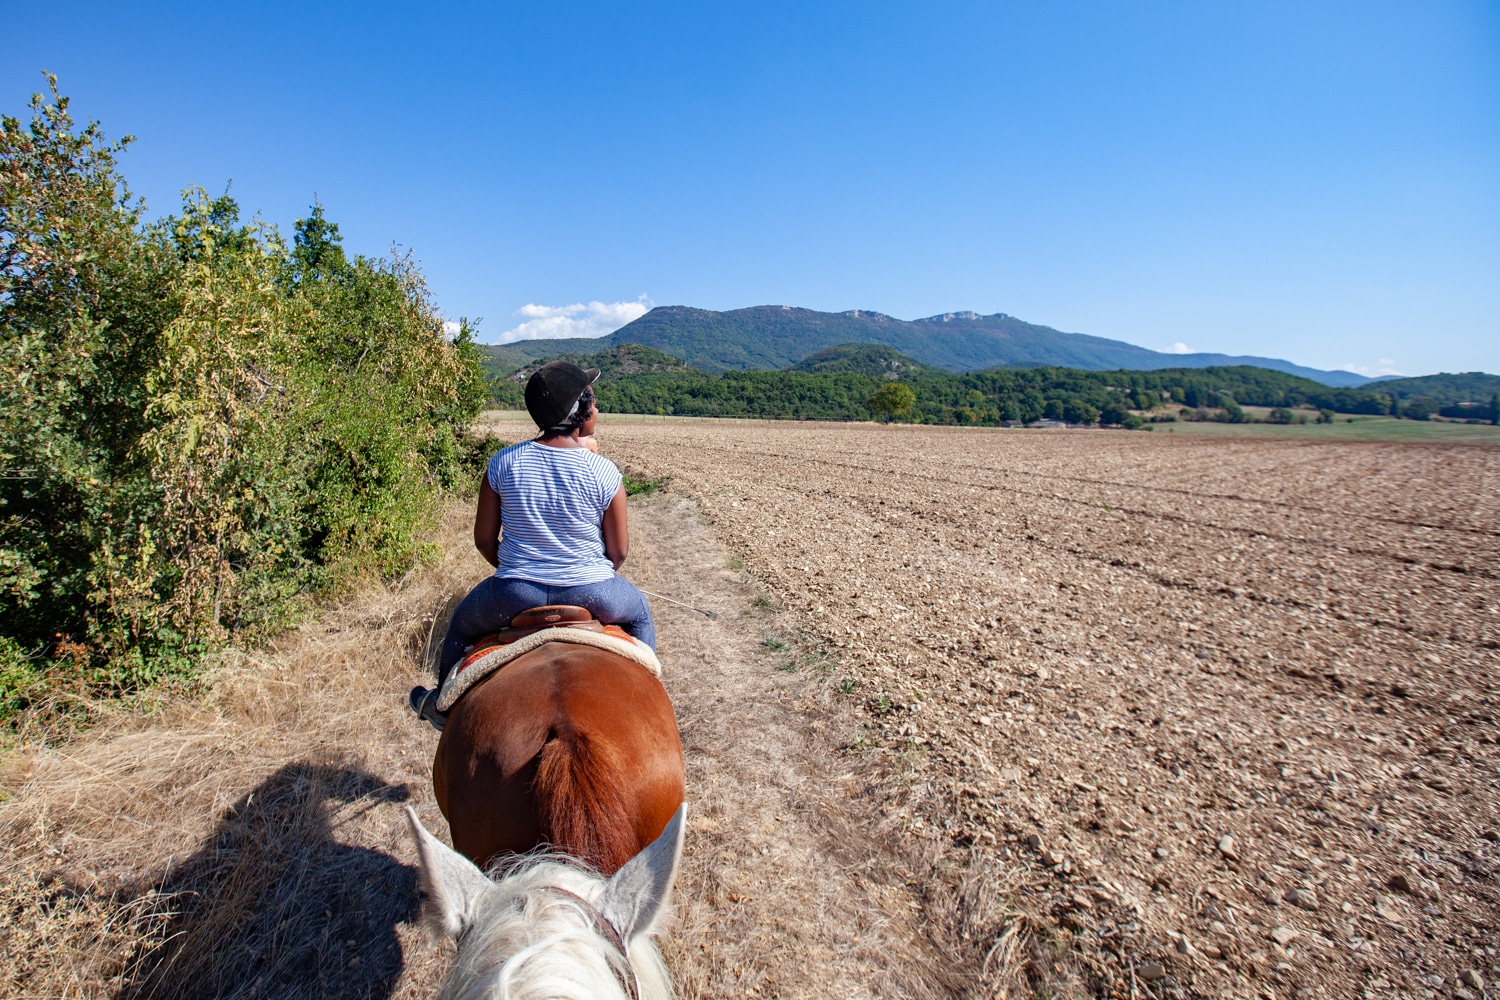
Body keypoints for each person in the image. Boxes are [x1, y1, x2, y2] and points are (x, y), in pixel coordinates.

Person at [412, 361, 656, 727]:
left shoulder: (502, 463)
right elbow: (618, 553)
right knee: (639, 614)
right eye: (594, 402)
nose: (598, 409)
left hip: (514, 592)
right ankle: (648, 705)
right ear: (583, 411)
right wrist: (586, 573)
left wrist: (517, 569)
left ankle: (441, 708)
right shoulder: (604, 471)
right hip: (593, 591)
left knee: (462, 625)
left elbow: (483, 539)